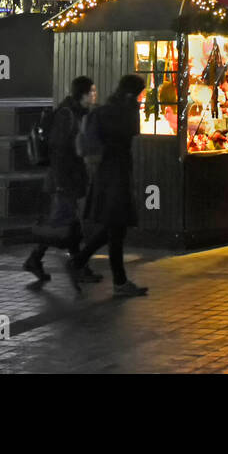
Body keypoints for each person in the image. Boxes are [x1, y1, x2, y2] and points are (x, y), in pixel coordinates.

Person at [71, 75, 148, 297]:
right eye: (140, 93)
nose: (142, 98)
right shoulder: (123, 111)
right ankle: (115, 280)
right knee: (116, 227)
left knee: (114, 229)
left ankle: (85, 264)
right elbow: (134, 130)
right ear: (132, 93)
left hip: (107, 174)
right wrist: (135, 106)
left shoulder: (107, 109)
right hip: (117, 174)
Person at [24, 76, 100, 284]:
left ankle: (65, 263)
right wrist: (62, 181)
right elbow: (58, 150)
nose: (95, 94)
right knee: (62, 225)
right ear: (83, 94)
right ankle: (70, 265)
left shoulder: (76, 113)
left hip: (68, 178)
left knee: (68, 224)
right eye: (92, 91)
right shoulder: (67, 114)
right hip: (63, 180)